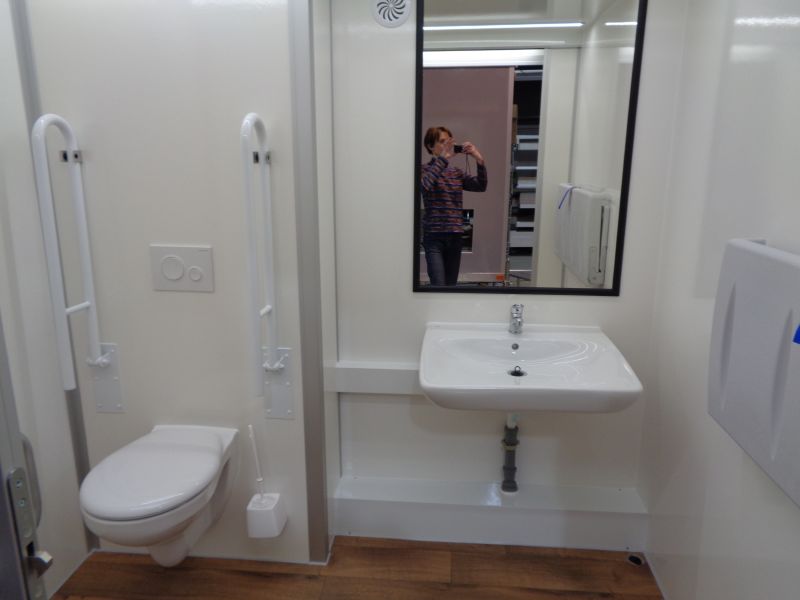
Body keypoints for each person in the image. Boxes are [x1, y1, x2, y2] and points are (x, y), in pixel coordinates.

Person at [420, 126, 487, 286]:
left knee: (450, 286)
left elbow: (480, 186)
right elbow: (425, 186)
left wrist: (479, 159)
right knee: (438, 284)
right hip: (434, 237)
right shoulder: (423, 170)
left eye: (449, 142)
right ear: (430, 146)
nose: (447, 145)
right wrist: (443, 159)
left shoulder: (456, 172)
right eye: (442, 141)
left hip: (455, 235)